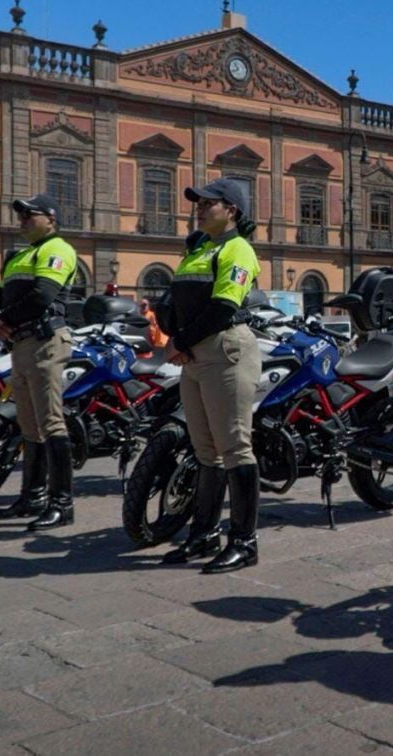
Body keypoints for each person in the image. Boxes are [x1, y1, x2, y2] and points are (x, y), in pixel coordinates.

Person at [160, 178, 263, 573]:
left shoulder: (238, 249)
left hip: (225, 350)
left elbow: (223, 307)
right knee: (205, 450)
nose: (200, 209)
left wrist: (180, 340)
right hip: (194, 353)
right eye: (198, 203)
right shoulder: (200, 248)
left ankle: (245, 542)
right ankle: (204, 534)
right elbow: (178, 301)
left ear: (231, 210)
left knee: (235, 446)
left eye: (209, 203)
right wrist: (176, 336)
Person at [0, 194, 79, 531]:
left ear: (51, 220)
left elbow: (42, 295)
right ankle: (32, 496)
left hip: (44, 343)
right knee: (29, 425)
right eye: (21, 215)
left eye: (30, 214)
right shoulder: (18, 256)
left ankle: (62, 503)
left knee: (51, 422)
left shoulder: (56, 249)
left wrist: (1, 319)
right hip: (21, 344)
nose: (23, 219)